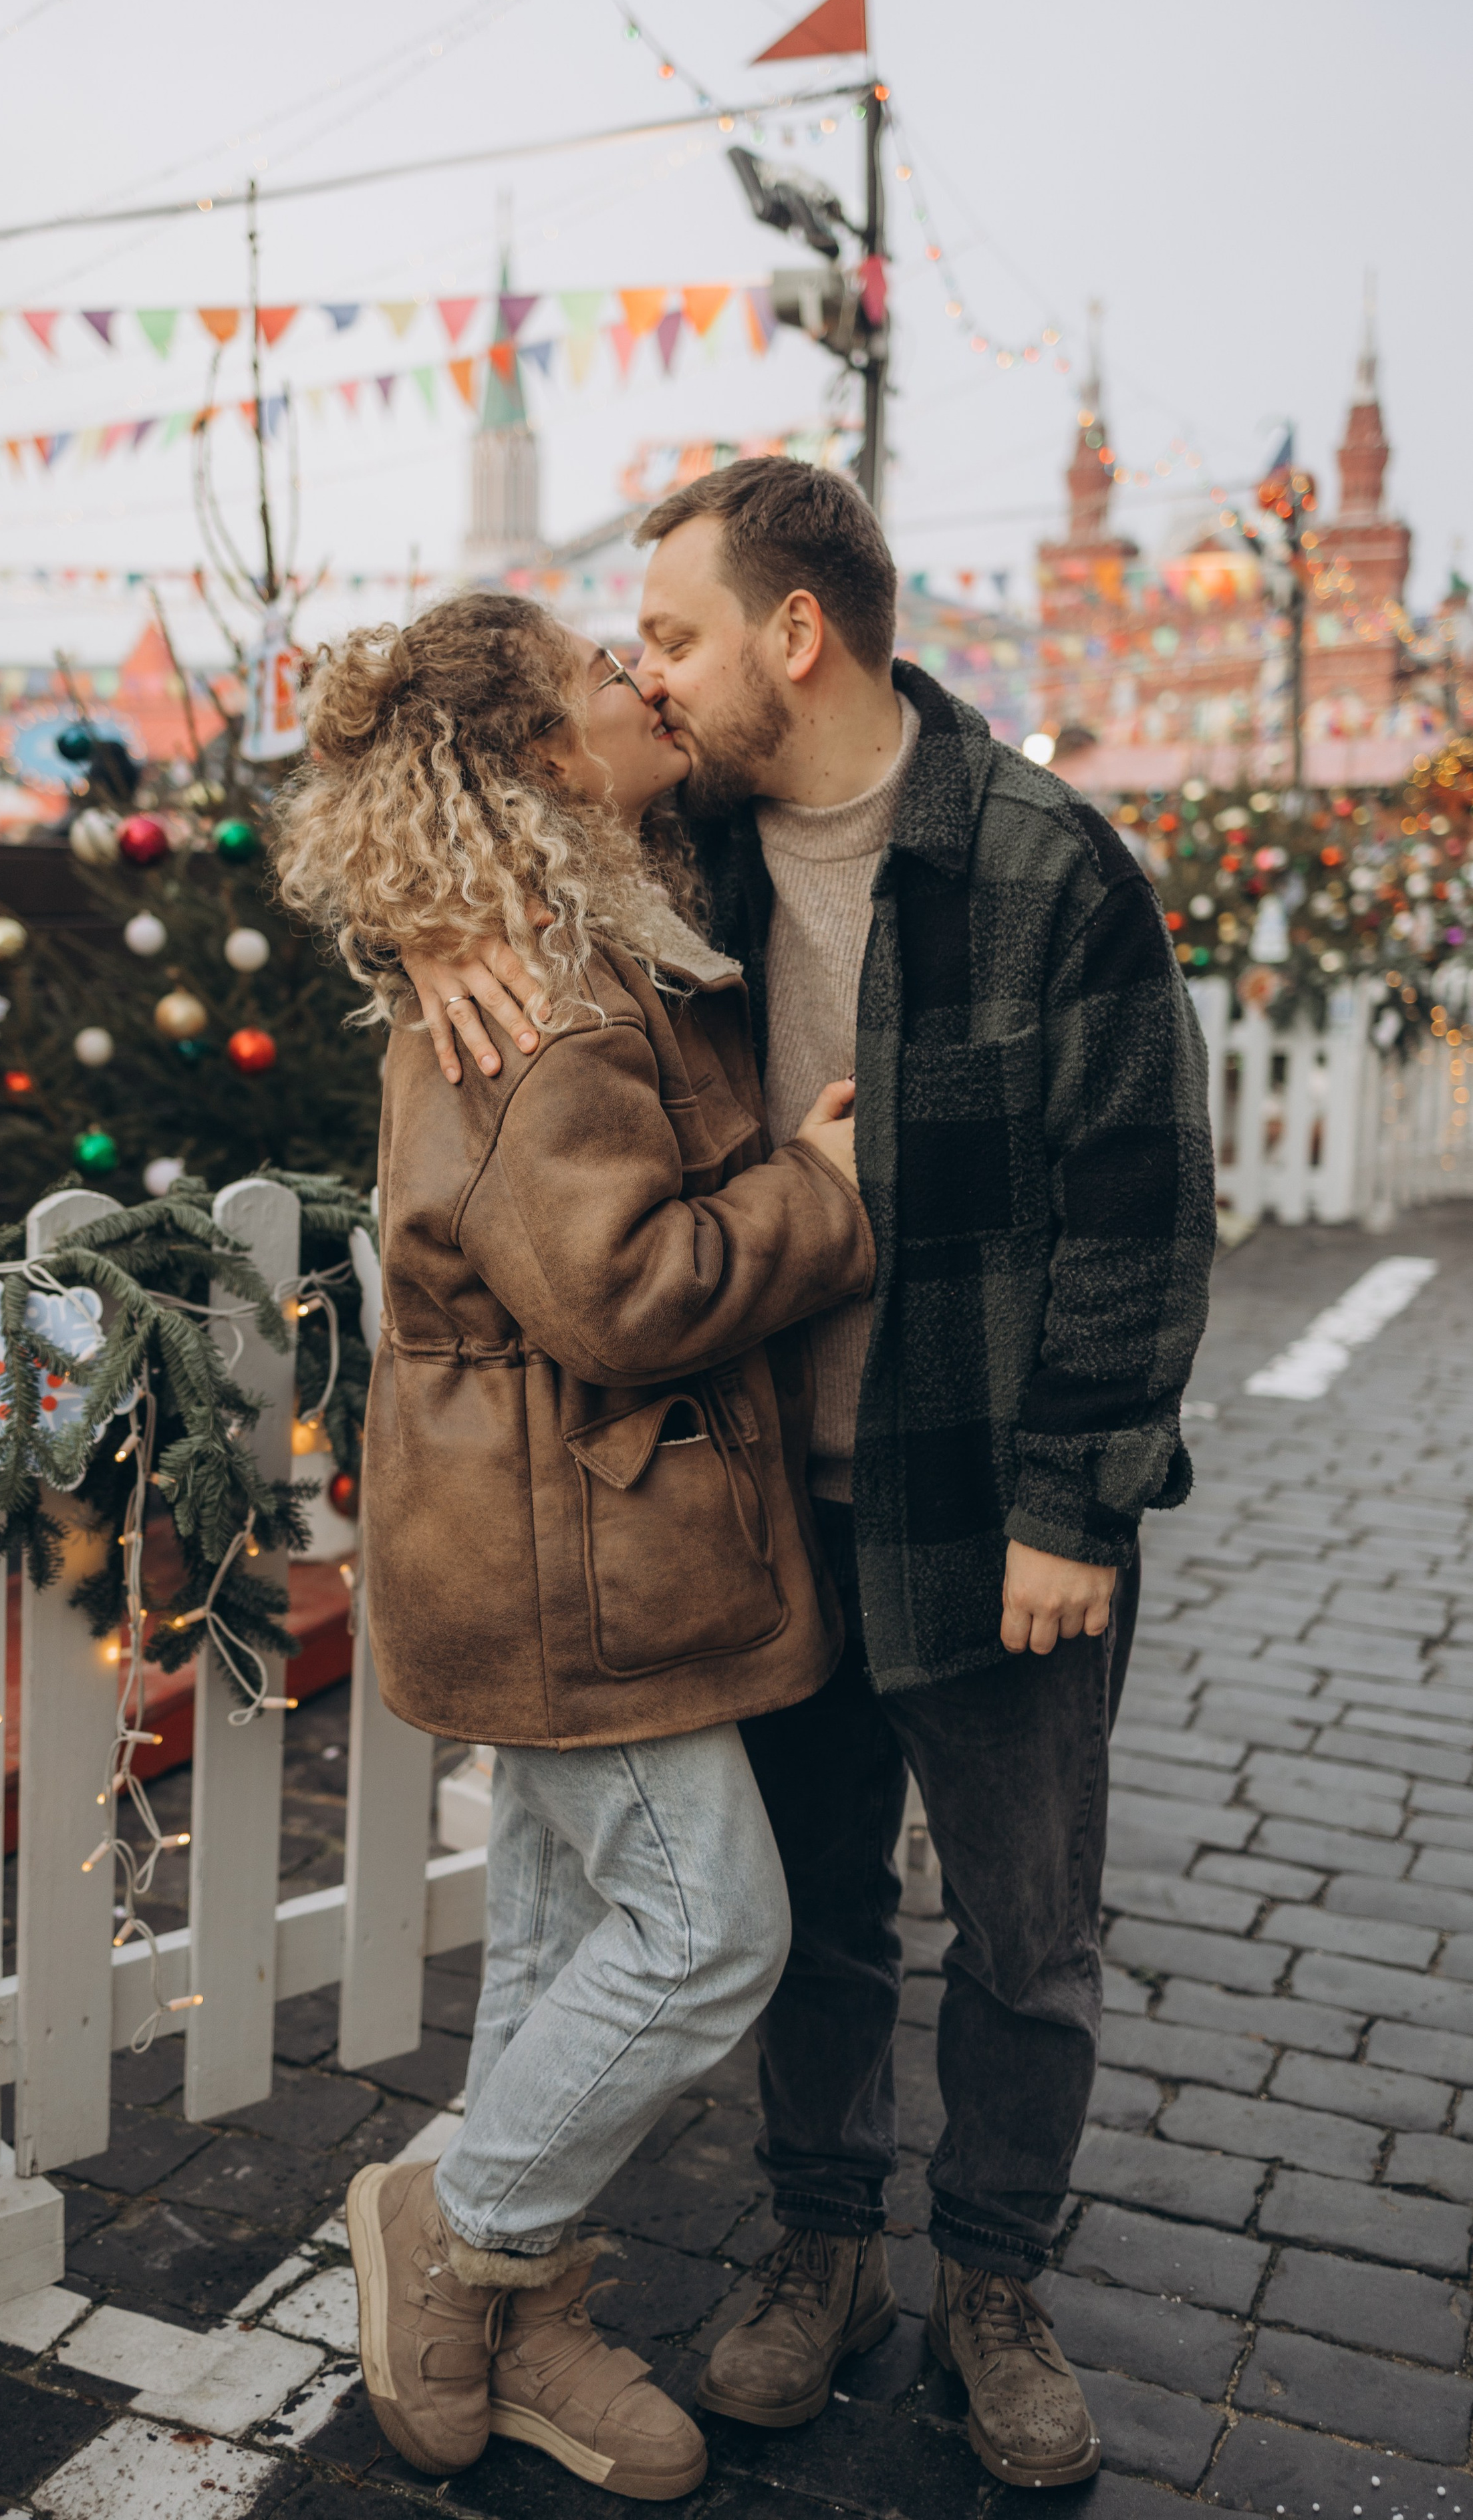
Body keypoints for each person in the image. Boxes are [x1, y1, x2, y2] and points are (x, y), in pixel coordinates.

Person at [402, 460, 1217, 2491]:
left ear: (798, 632)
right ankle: (824, 2252)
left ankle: (995, 2291)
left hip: (987, 1515)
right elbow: (455, 799)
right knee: (822, 1921)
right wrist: (421, 918)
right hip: (766, 1512)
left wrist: (1071, 1507)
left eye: (673, 635)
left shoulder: (1039, 865)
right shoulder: (696, 858)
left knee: (1029, 1941)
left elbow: (1139, 1215)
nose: (651, 681)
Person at [272, 590, 877, 2503]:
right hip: (565, 1551)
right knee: (713, 1934)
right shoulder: (528, 998)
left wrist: (421, 898)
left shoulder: (558, 913)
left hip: (552, 1531)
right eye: (606, 679)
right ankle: (456, 2232)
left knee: (550, 1933)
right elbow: (624, 1292)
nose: (643, 679)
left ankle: (520, 2309)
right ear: (544, 762)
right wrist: (826, 1196)